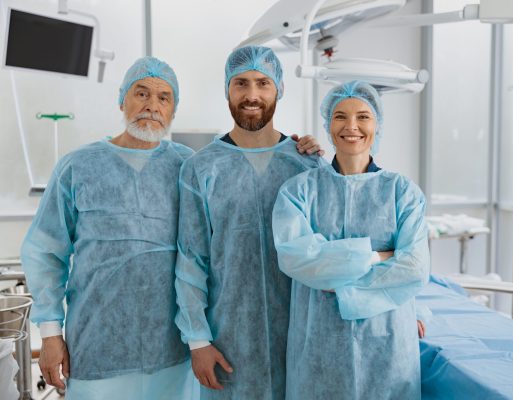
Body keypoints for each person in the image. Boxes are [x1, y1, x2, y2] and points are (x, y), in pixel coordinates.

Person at [20, 56, 199, 400]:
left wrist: (295, 147)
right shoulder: (79, 166)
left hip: (173, 350)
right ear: (122, 100)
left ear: (173, 110)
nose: (152, 106)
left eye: (164, 98)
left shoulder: (187, 167)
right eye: (141, 93)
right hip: (98, 344)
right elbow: (45, 252)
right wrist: (50, 333)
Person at [174, 45, 326, 399]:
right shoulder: (200, 168)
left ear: (280, 89)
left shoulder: (307, 164)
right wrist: (198, 340)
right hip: (229, 342)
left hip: (302, 336)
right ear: (227, 90)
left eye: (263, 83)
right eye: (241, 83)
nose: (252, 95)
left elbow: (333, 250)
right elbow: (190, 259)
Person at [272, 80, 430, 399]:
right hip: (317, 348)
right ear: (328, 125)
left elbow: (414, 267)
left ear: (378, 125)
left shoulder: (402, 192)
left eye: (363, 116)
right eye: (341, 116)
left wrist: (332, 267)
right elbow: (297, 259)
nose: (352, 126)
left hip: (387, 347)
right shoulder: (298, 191)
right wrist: (378, 257)